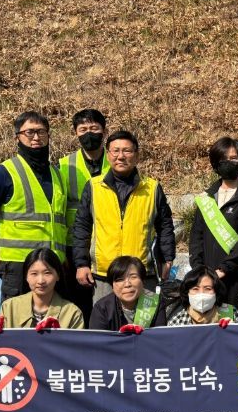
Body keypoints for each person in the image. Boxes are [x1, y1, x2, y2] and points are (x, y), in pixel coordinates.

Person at [71, 130, 176, 303]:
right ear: (108, 154)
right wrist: (81, 264)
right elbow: (82, 227)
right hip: (104, 275)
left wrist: (168, 258)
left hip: (142, 274)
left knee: (144, 325)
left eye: (127, 151)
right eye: (115, 151)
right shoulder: (94, 187)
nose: (121, 156)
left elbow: (165, 225)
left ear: (137, 156)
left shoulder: (152, 188)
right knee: (106, 325)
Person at [0, 111, 67, 300]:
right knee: (17, 323)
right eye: (29, 132)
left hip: (52, 264)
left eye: (41, 132)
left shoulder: (57, 174)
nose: (36, 137)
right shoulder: (4, 173)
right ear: (18, 137)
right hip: (18, 265)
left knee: (52, 323)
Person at [189, 137, 238, 323]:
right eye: (223, 159)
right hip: (208, 280)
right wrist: (200, 270)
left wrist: (224, 269)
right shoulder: (207, 198)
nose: (228, 163)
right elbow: (196, 236)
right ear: (215, 163)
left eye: (234, 158)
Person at [59, 109, 111, 322]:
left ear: (104, 131)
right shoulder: (64, 166)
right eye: (83, 129)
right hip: (74, 245)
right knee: (77, 299)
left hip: (108, 242)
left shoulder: (117, 160)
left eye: (94, 128)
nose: (89, 133)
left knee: (105, 300)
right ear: (76, 133)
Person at [0, 247, 84, 332]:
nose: (40, 281)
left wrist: (58, 336)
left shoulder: (72, 313)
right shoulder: (9, 307)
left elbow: (75, 352)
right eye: (34, 274)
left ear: (58, 275)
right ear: (26, 276)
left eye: (47, 273)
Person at [89, 256, 166, 331]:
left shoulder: (156, 302)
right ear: (112, 285)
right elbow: (97, 341)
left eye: (133, 277)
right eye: (120, 279)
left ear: (143, 281)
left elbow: (159, 338)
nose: (127, 284)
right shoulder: (102, 308)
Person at [167, 266, 238, 326]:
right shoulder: (177, 321)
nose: (201, 294)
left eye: (208, 288)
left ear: (216, 291)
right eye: (195, 289)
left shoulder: (230, 313)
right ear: (187, 292)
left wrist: (234, 330)